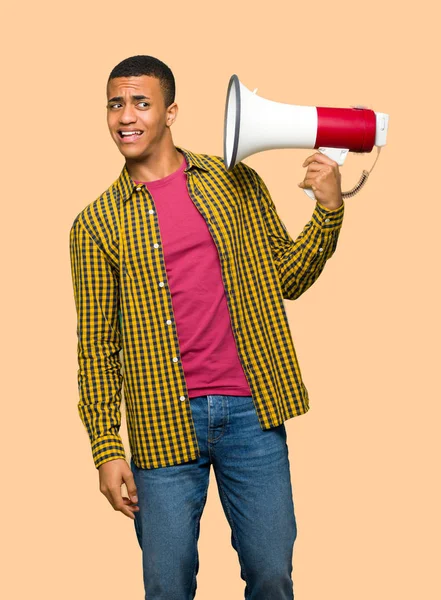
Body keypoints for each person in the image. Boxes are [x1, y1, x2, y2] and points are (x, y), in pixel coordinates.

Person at [69, 54, 345, 600]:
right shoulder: (95, 224)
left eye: (141, 103)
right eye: (116, 104)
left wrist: (328, 210)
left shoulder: (232, 181)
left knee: (272, 574)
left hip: (252, 414)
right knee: (167, 587)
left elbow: (287, 277)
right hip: (160, 424)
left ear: (170, 112)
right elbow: (97, 348)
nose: (127, 116)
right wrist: (106, 446)